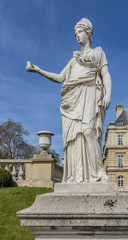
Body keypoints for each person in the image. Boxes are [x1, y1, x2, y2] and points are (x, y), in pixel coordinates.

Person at [26, 18, 112, 183]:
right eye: (75, 34)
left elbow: (106, 74)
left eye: (80, 32)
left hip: (91, 95)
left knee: (89, 132)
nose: (77, 36)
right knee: (76, 137)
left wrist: (108, 94)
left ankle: (98, 172)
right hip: (74, 100)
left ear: (88, 33)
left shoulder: (98, 52)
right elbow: (59, 78)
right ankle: (79, 173)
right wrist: (38, 70)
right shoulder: (74, 60)